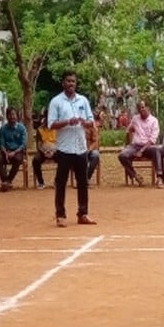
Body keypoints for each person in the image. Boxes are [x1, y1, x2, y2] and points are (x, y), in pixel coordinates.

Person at [48, 70, 97, 227]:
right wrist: (68, 122)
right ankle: (60, 215)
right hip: (64, 148)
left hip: (81, 148)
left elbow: (91, 122)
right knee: (61, 182)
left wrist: (84, 122)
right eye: (68, 81)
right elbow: (51, 124)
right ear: (63, 83)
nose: (71, 84)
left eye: (73, 81)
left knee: (83, 182)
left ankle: (83, 213)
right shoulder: (56, 102)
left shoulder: (83, 101)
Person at [118, 100, 164, 188]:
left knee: (157, 150)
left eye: (143, 107)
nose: (141, 110)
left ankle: (159, 178)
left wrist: (141, 151)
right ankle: (135, 176)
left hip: (148, 146)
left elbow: (152, 140)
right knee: (122, 155)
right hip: (135, 145)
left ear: (148, 108)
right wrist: (127, 143)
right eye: (139, 108)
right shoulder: (135, 118)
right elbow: (128, 130)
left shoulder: (154, 121)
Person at [0, 107, 27, 192]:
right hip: (6, 151)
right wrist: (5, 152)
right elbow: (1, 144)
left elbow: (23, 144)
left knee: (18, 159)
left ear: (16, 116)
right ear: (7, 116)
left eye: (13, 114)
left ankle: (8, 181)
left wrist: (14, 152)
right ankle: (5, 181)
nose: (12, 116)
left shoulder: (22, 128)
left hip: (17, 151)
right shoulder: (3, 129)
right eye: (9, 114)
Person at [32, 108, 58, 189]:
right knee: (35, 160)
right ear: (45, 118)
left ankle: (57, 181)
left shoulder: (57, 129)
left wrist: (53, 152)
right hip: (43, 151)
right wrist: (45, 152)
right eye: (48, 118)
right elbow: (39, 145)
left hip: (55, 151)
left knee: (64, 159)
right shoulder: (40, 130)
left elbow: (61, 143)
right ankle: (41, 182)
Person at [86, 120, 101, 184]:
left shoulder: (91, 125)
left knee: (96, 155)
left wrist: (89, 150)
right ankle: (81, 179)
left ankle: (86, 178)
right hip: (77, 150)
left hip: (89, 149)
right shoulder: (75, 125)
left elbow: (95, 141)